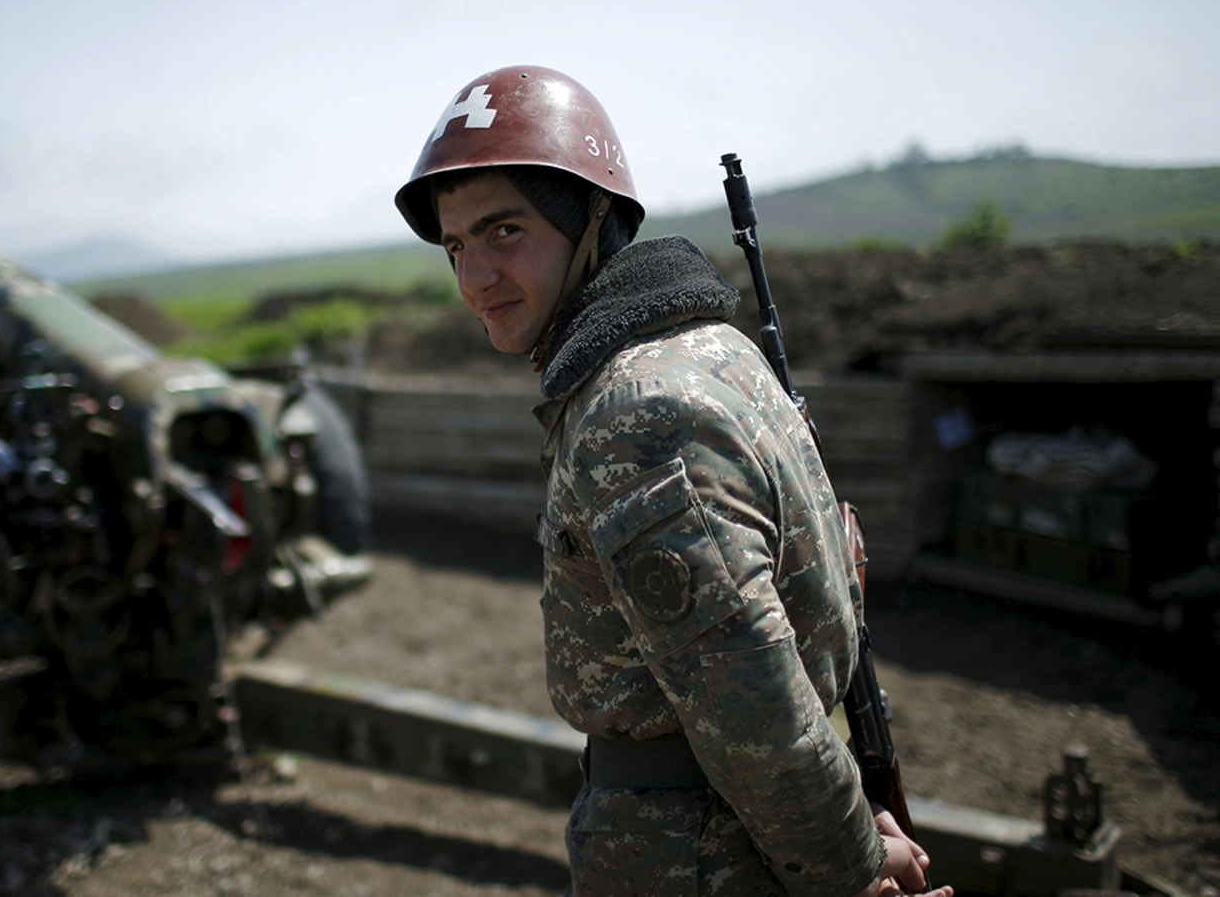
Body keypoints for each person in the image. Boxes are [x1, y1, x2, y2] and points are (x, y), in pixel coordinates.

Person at [394, 66, 952, 897]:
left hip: (699, 858)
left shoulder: (637, 409)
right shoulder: (714, 353)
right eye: (456, 246)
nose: (473, 279)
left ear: (590, 218)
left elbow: (753, 705)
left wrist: (851, 870)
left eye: (503, 230)